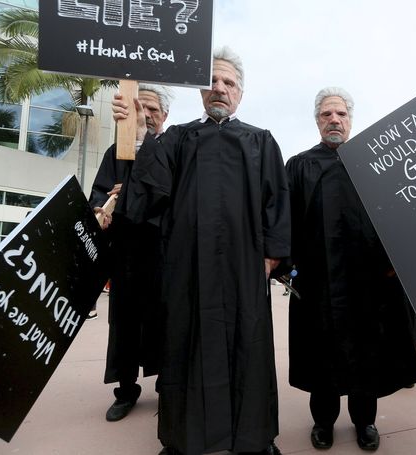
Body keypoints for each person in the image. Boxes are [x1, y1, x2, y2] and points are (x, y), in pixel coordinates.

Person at [112, 46, 289, 455]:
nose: (220, 89)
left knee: (249, 347)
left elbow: (277, 203)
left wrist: (272, 256)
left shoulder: (261, 142)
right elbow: (146, 195)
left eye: (229, 82)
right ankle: (180, 439)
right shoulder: (176, 139)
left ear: (240, 93)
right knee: (182, 345)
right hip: (187, 268)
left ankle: (255, 438)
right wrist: (138, 133)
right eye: (212, 81)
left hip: (245, 268)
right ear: (200, 91)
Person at [285, 87, 416, 452]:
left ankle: (365, 422)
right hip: (317, 285)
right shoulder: (299, 165)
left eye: (341, 114)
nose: (334, 120)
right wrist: (288, 271)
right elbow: (284, 222)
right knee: (321, 358)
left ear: (351, 120)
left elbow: (401, 216)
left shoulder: (375, 164)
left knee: (367, 357)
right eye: (327, 114)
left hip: (369, 285)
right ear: (317, 121)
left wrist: (398, 266)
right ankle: (323, 423)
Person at [89, 83, 173, 422]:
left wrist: (137, 192)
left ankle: (169, 387)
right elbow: (98, 193)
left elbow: (170, 198)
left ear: (164, 116)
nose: (147, 114)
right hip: (125, 256)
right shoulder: (115, 152)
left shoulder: (172, 151)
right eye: (142, 108)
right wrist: (102, 208)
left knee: (165, 323)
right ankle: (126, 390)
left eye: (153, 109)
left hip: (162, 255)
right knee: (124, 324)